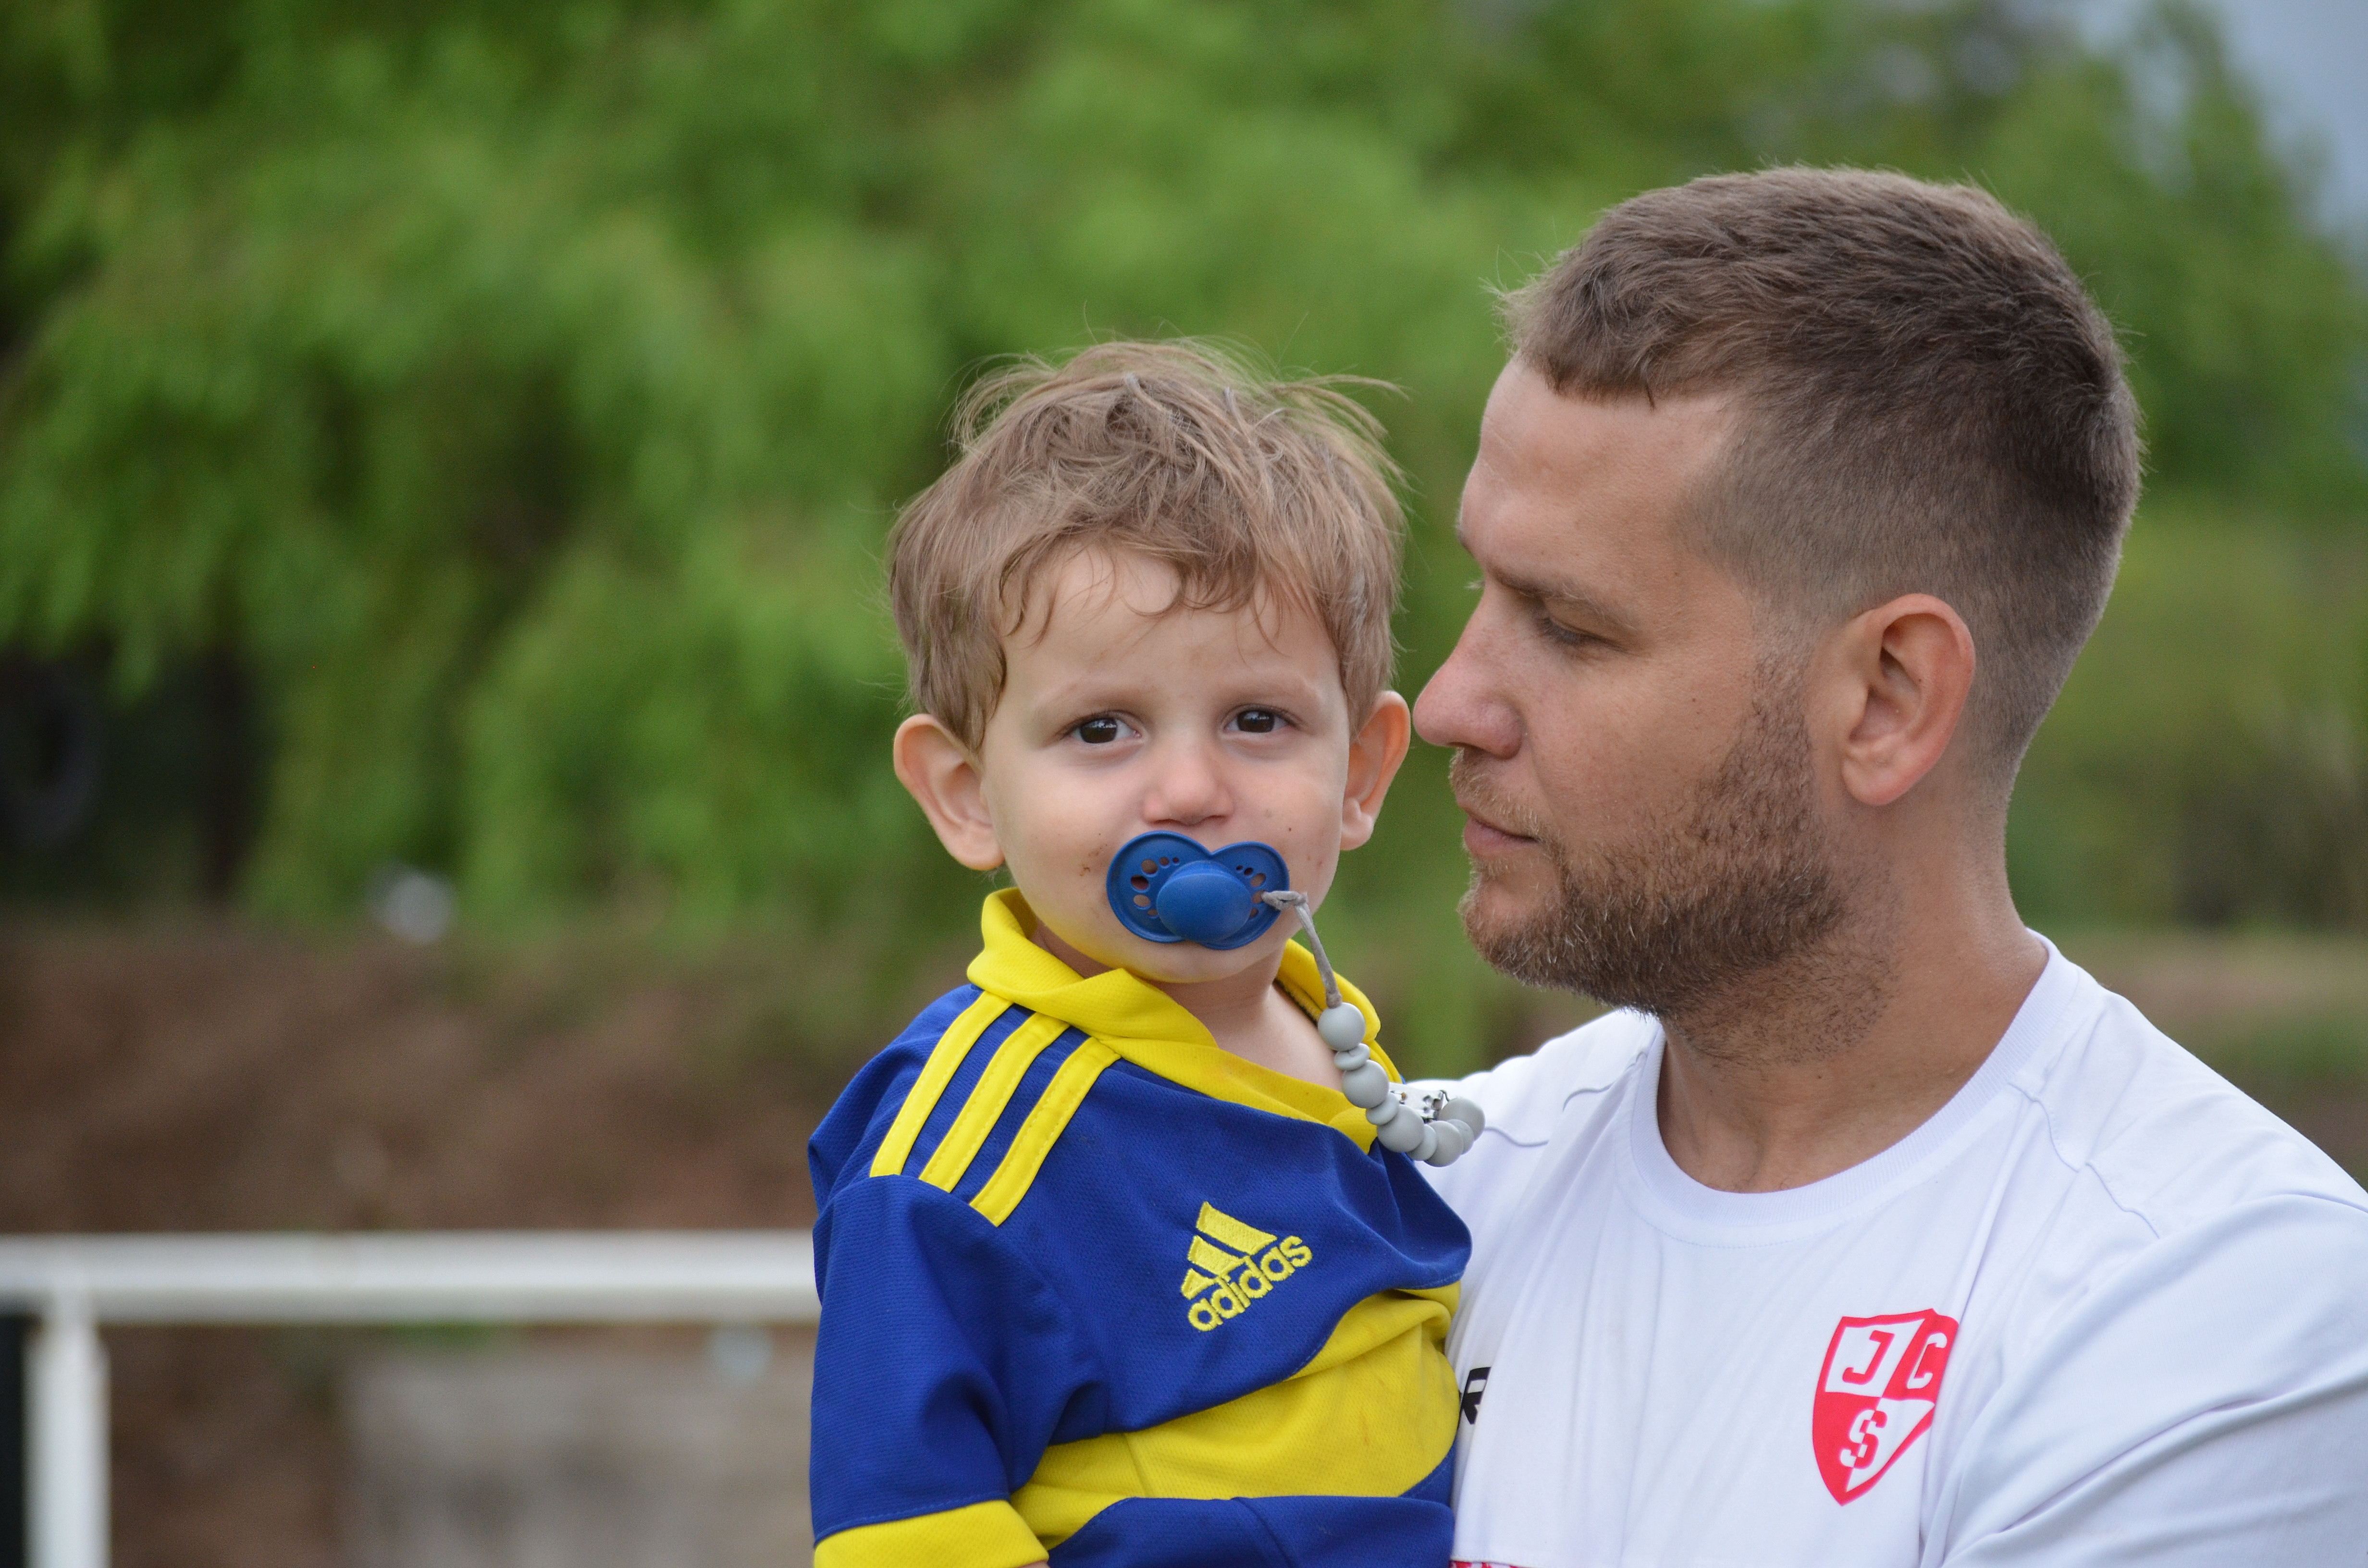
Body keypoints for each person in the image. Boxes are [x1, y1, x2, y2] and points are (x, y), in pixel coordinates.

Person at [1410, 168, 2368, 1566]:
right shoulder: (1429, 1193)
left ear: (1886, 700)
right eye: (1482, 588)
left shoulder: (2216, 1304)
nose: (1448, 703)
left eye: (1569, 628)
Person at [805, 341, 1472, 1568]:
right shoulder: (967, 1149)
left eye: (1257, 720)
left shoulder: (1326, 1025)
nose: (1189, 790)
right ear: (967, 796)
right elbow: (903, 1526)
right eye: (1101, 728)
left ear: (1360, 776)